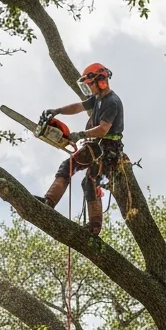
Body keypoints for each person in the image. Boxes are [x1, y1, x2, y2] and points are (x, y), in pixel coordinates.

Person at [35, 62, 125, 236]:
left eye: (90, 84)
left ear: (100, 81)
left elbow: (104, 129)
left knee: (88, 180)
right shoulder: (97, 99)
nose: (89, 89)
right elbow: (78, 106)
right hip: (96, 146)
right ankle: (49, 201)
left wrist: (80, 134)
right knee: (69, 168)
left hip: (107, 149)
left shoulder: (112, 102)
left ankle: (94, 228)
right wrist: (57, 111)